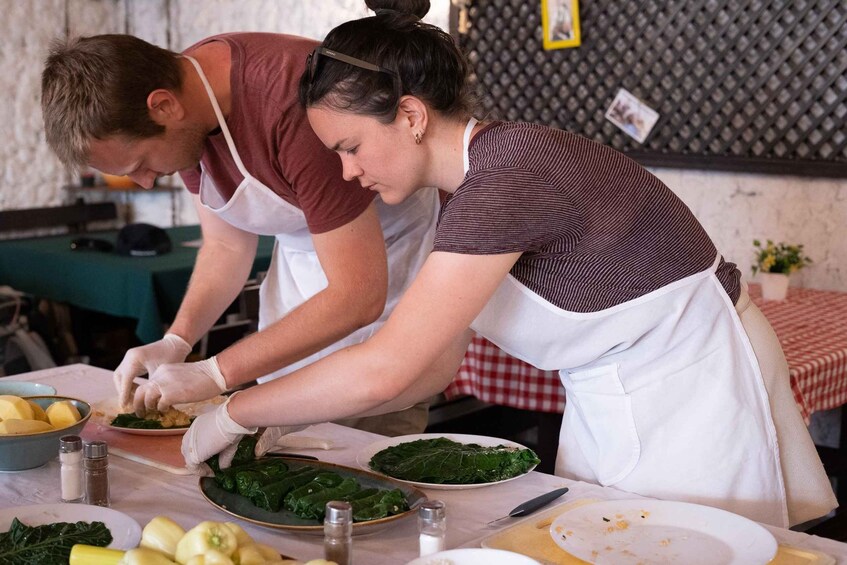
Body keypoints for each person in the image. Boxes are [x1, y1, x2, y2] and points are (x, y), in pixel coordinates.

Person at [167, 0, 834, 527]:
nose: (346, 171)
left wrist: (238, 407)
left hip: (690, 391)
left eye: (351, 146)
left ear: (409, 115)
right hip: (611, 395)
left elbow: (387, 367)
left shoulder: (504, 179)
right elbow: (430, 365)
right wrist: (284, 414)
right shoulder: (468, 187)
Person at [41, 31, 440, 436]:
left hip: (384, 272)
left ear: (163, 105)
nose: (144, 183)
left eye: (140, 163)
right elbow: (225, 245)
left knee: (361, 451)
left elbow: (358, 296)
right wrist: (177, 341)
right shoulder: (185, 108)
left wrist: (216, 372)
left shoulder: (293, 106)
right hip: (304, 276)